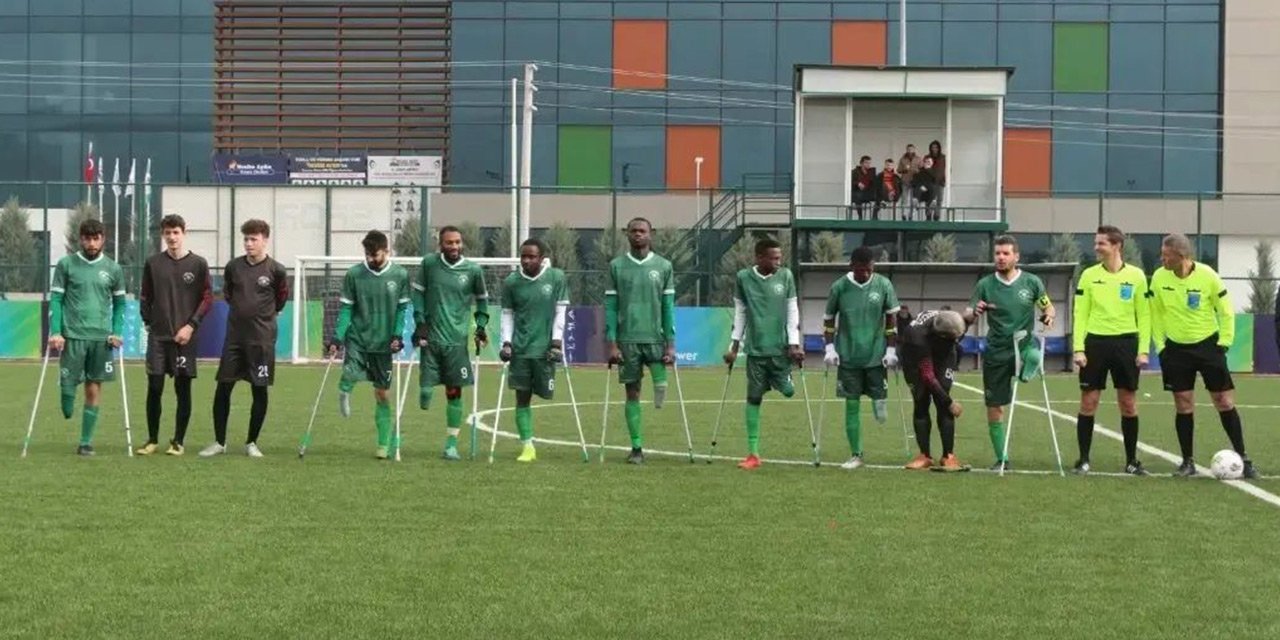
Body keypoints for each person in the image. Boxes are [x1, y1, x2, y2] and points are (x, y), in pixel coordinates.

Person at [1150, 233, 1258, 478]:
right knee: (1183, 403)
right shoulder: (1158, 278)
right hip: (1176, 350)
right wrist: (1161, 346)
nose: (1162, 259)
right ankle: (1187, 461)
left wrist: (1224, 342)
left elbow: (1225, 310)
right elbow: (1155, 313)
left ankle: (1244, 458)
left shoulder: (1208, 275)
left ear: (1181, 255)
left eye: (1166, 255)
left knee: (1224, 401)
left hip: (1208, 347)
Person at [965, 235, 1055, 471]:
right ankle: (1002, 458)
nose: (1001, 258)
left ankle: (1027, 372)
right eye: (997, 253)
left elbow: (1048, 307)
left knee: (1034, 355)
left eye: (1006, 253)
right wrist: (975, 312)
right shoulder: (985, 285)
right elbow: (966, 315)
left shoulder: (1032, 282)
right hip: (996, 351)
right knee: (995, 408)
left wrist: (1048, 316)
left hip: (1023, 344)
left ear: (1016, 256)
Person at [201, 219, 288, 458]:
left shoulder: (277, 270)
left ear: (265, 240)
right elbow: (229, 294)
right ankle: (219, 442)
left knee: (259, 390)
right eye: (246, 239)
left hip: (262, 340)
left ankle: (252, 442)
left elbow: (281, 299)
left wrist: (262, 316)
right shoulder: (233, 267)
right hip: (235, 339)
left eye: (253, 239)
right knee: (223, 388)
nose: (249, 244)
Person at [1070, 225, 1150, 475]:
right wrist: (1079, 348)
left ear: (1117, 246)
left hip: (1126, 344)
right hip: (1095, 343)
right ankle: (1083, 460)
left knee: (1128, 403)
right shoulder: (1088, 275)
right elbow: (1080, 314)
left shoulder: (1137, 276)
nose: (1096, 247)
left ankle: (1132, 461)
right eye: (1096, 243)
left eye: (1101, 243)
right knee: (1089, 402)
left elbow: (1144, 315)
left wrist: (1143, 350)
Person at [328, 230, 411, 459]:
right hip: (358, 338)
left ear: (387, 251)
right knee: (350, 372)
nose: (370, 259)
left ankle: (383, 444)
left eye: (375, 255)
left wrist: (397, 335)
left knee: (382, 394)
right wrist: (338, 336)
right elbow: (346, 309)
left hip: (383, 344)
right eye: (367, 254)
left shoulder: (400, 275)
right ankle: (344, 391)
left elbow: (402, 309)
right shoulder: (354, 274)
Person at [48, 218, 126, 456]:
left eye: (96, 238)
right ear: (80, 239)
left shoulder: (113, 269)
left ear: (103, 239)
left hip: (100, 338)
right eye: (87, 239)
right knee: (68, 390)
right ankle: (67, 395)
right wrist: (56, 331)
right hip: (72, 335)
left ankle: (85, 442)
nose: (91, 243)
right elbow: (56, 300)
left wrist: (117, 331)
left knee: (93, 389)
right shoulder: (66, 265)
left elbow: (120, 304)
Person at [411, 225, 490, 461]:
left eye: (457, 242)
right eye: (449, 242)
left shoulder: (473, 270)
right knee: (426, 392)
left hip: (457, 342)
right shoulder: (429, 264)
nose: (454, 246)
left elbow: (482, 302)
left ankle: (451, 445)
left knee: (454, 392)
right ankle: (424, 394)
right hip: (431, 339)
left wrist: (481, 327)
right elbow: (418, 294)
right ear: (441, 245)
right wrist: (420, 322)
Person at [723, 238, 802, 470]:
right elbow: (740, 312)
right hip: (755, 350)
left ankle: (782, 379)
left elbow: (792, 310)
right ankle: (753, 454)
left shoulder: (786, 276)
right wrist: (733, 346)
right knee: (753, 399)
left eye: (780, 257)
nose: (779, 261)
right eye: (774, 258)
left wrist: (794, 343)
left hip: (780, 349)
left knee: (788, 392)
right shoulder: (743, 278)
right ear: (759, 258)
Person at [138, 214, 212, 456]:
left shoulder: (198, 264)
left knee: (183, 389)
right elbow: (145, 296)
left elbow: (207, 298)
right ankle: (152, 440)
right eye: (167, 233)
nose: (172, 237)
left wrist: (190, 326)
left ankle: (178, 441)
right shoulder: (153, 263)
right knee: (154, 387)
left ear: (184, 233)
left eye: (176, 232)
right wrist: (148, 322)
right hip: (158, 337)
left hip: (184, 338)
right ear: (163, 235)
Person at [605, 217, 676, 465]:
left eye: (642, 231)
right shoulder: (616, 266)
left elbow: (668, 307)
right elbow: (611, 307)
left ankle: (660, 390)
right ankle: (636, 448)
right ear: (627, 234)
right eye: (633, 231)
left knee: (661, 385)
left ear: (650, 234)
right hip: (628, 339)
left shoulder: (664, 266)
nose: (638, 234)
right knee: (632, 392)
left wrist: (671, 344)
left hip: (655, 337)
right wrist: (612, 343)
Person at [822, 246, 901, 470]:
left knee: (880, 406)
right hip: (848, 356)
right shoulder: (839, 287)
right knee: (851, 404)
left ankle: (879, 401)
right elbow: (829, 319)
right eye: (860, 270)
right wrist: (829, 348)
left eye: (869, 269)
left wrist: (891, 350)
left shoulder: (883, 285)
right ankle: (856, 454)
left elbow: (891, 320)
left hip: (876, 355)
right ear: (851, 266)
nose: (865, 273)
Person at [498, 238, 570, 463]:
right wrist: (507, 343)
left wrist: (556, 342)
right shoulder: (511, 282)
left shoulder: (556, 277)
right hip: (521, 349)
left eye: (532, 257)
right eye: (523, 256)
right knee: (522, 397)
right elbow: (507, 314)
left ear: (542, 258)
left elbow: (560, 312)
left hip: (545, 349)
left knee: (545, 394)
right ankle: (527, 446)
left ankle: (528, 445)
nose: (527, 261)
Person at [899, 309, 968, 471]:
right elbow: (928, 376)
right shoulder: (917, 337)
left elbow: (961, 327)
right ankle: (924, 455)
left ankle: (948, 455)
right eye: (953, 338)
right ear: (942, 336)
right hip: (914, 359)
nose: (956, 341)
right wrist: (950, 403)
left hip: (943, 356)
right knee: (921, 401)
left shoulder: (950, 320)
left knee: (942, 403)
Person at [913, 156, 940, 221]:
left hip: (931, 192)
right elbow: (915, 180)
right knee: (917, 186)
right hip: (922, 191)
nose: (927, 163)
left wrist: (928, 170)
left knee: (932, 187)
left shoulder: (934, 171)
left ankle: (932, 204)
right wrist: (921, 186)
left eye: (929, 162)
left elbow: (936, 180)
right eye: (926, 162)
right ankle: (916, 200)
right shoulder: (920, 171)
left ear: (932, 163)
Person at [850, 155, 877, 219]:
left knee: (879, 196)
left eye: (869, 163)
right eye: (866, 163)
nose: (868, 164)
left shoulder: (871, 172)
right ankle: (860, 217)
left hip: (868, 193)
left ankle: (874, 216)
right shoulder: (854, 172)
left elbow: (875, 183)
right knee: (857, 196)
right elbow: (850, 182)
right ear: (861, 163)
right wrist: (858, 183)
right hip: (857, 192)